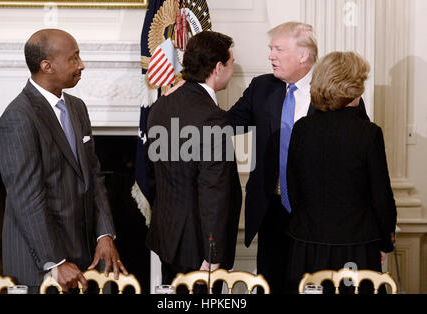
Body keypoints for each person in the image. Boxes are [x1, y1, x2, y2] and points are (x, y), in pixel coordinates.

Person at [227, 22, 369, 293]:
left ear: (303, 55)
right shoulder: (262, 87)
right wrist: (192, 94)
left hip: (320, 216)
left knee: (313, 286)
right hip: (272, 210)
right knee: (273, 285)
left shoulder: (337, 90)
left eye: (278, 49)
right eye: (271, 49)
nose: (271, 56)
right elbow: (226, 124)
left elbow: (359, 154)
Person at [0, 29, 127, 294]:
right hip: (41, 264)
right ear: (47, 66)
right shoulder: (18, 117)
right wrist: (55, 261)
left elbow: (93, 175)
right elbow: (27, 198)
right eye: (74, 58)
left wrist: (105, 235)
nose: (82, 65)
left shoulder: (77, 108)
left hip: (86, 255)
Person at [285, 51, 397, 294]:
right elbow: (381, 196)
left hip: (308, 245)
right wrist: (386, 242)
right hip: (356, 246)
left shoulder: (301, 129)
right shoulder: (368, 133)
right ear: (353, 88)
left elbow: (292, 189)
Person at [145, 31, 242, 292]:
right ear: (218, 67)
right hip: (199, 249)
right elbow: (214, 191)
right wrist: (213, 254)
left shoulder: (161, 105)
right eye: (231, 63)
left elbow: (153, 170)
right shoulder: (211, 117)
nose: (232, 70)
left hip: (168, 237)